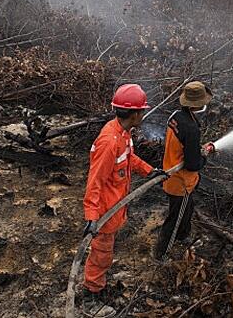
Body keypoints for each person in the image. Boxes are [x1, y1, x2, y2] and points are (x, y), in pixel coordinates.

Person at [82, 84, 166, 317]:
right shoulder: (109, 141)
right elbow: (94, 182)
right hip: (105, 212)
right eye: (143, 111)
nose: (144, 115)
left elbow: (129, 158)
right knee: (100, 255)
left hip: (116, 208)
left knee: (105, 254)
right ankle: (91, 299)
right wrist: (91, 217)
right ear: (136, 113)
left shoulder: (122, 132)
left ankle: (98, 286)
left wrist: (150, 171)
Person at [153, 81, 215, 259]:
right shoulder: (191, 128)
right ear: (200, 104)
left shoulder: (175, 116)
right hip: (180, 182)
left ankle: (182, 237)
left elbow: (182, 147)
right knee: (175, 218)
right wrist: (203, 157)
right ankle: (161, 255)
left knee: (186, 210)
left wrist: (196, 150)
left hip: (171, 172)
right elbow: (192, 164)